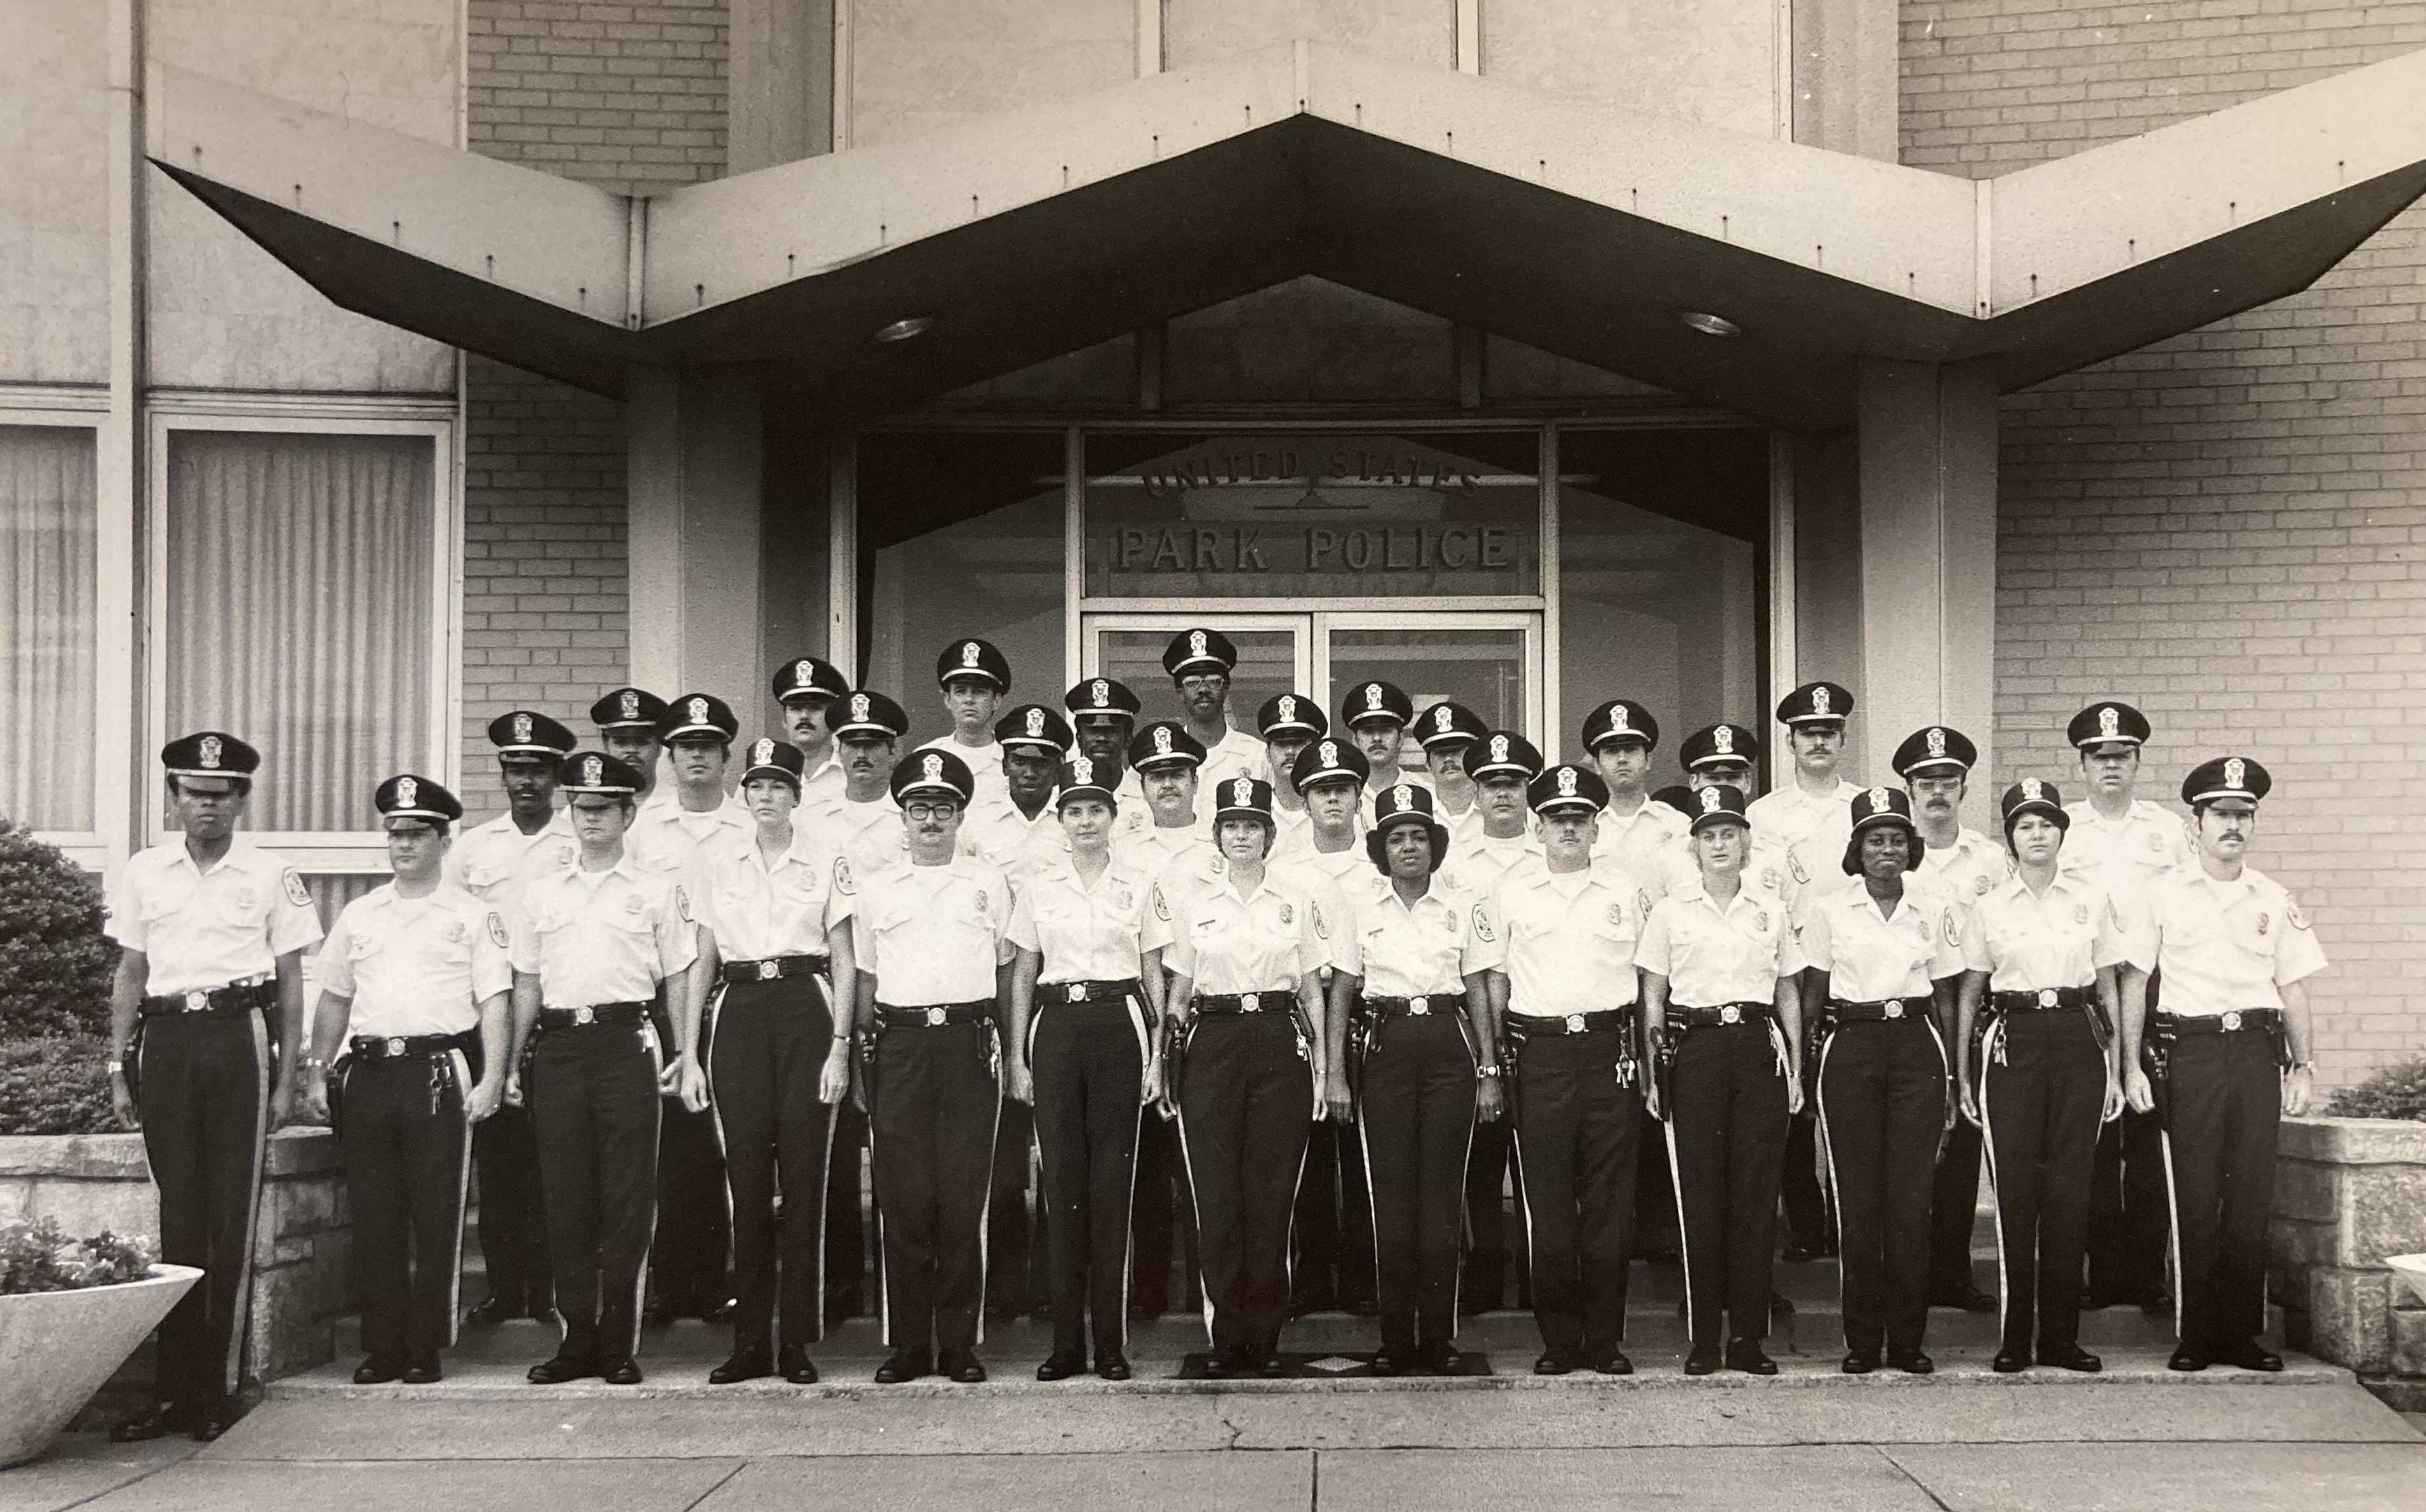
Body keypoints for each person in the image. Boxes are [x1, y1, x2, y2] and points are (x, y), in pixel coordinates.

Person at [103, 733, 322, 1442]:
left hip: (238, 1036)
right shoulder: (145, 871)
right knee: (178, 1216)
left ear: (242, 799)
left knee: (231, 1214)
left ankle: (218, 1389)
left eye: (221, 794)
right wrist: (117, 1065)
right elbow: (131, 972)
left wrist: (290, 1076)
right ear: (174, 798)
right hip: (166, 1041)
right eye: (195, 794)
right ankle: (170, 1393)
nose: (208, 806)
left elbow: (291, 982)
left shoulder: (268, 874)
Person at [302, 775, 510, 1386]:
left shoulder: (473, 915)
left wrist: (493, 1075)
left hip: (438, 1071)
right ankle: (383, 1343)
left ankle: (426, 1344)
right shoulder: (361, 913)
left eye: (418, 833)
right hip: (368, 1071)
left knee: (436, 1212)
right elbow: (335, 997)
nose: (404, 844)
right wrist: (318, 1071)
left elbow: (494, 999)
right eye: (395, 833)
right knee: (376, 1214)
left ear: (445, 841)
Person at [2119, 756, 2325, 1373]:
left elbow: (2293, 987)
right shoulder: (2162, 894)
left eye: (2242, 815)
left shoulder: (2274, 897)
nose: (2232, 826)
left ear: (2252, 825)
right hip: (2194, 1052)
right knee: (2196, 1193)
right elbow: (2134, 981)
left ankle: (2242, 1333)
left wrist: (2305, 1065)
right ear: (2197, 824)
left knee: (2250, 1195)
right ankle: (2196, 1333)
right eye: (2220, 815)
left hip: (2259, 1054)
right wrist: (2129, 1066)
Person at [507, 751, 702, 1386]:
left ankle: (619, 1342)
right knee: (567, 1198)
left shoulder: (653, 889)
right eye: (581, 808)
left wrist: (682, 1051)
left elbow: (677, 973)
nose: (590, 818)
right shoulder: (539, 892)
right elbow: (527, 983)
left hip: (627, 1042)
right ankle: (576, 1339)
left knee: (625, 1196)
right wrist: (512, 1062)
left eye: (604, 808)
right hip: (561, 1047)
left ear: (628, 813)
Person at [682, 738, 854, 1385]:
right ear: (744, 794)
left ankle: (797, 1343)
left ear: (796, 794)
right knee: (747, 1179)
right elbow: (701, 958)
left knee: (806, 1175)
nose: (767, 796)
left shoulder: (825, 858)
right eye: (756, 785)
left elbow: (842, 955)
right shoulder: (715, 860)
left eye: (779, 785)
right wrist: (692, 1053)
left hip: (806, 1008)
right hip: (740, 1011)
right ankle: (751, 1341)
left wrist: (840, 1044)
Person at [1151, 777, 1330, 1377]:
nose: (1242, 835)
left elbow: (1310, 987)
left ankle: (1265, 1334)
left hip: (1280, 1042)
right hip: (1214, 1042)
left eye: (1252, 825)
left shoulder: (1294, 900)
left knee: (1271, 1193)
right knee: (1218, 1192)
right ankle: (1226, 1334)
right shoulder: (1196, 903)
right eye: (1231, 825)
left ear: (1270, 835)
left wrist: (1325, 1068)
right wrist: (1164, 1059)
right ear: (1218, 836)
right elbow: (1179, 987)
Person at [849, 749, 1013, 1384]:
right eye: (920, 808)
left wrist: (1000, 1035)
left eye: (943, 808)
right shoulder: (879, 887)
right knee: (905, 1196)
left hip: (968, 1040)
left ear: (960, 815)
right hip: (902, 1043)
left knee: (962, 1193)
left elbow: (1004, 966)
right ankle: (909, 1343)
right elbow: (865, 974)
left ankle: (959, 1342)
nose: (931, 819)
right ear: (904, 817)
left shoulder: (986, 882)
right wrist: (866, 1050)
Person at [1004, 756, 1168, 1381]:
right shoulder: (1040, 885)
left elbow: (1153, 969)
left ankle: (1110, 1343)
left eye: (1096, 809)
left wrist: (1155, 1052)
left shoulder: (1139, 881)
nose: (1086, 820)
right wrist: (1019, 1056)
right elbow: (1023, 972)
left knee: (1111, 1185)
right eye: (1074, 810)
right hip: (1057, 1024)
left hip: (1118, 1019)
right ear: (1060, 818)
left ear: (1114, 816)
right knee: (1063, 1185)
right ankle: (1065, 1343)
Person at [1955, 779, 2124, 1374]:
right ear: (2010, 839)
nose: (2037, 834)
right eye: (2025, 825)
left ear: (2061, 833)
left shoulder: (2090, 898)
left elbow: (2107, 985)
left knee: (2071, 1192)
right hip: (2014, 1040)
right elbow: (1972, 992)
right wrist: (1966, 1072)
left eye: (2047, 824)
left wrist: (2118, 1067)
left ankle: (2061, 1338)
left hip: (2078, 1035)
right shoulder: (1990, 906)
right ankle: (2014, 1337)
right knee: (2017, 1194)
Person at [1330, 784, 1500, 1374]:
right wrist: (1336, 1076)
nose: (1409, 846)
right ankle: (1396, 1336)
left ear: (1435, 845)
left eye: (1419, 836)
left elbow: (1478, 989)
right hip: (1387, 1044)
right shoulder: (1362, 908)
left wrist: (1488, 1069)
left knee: (1441, 1197)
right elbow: (1343, 993)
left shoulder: (1462, 905)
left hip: (1449, 1044)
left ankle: (1440, 1337)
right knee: (1391, 1197)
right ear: (1381, 848)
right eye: (1397, 837)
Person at [1483, 763, 1644, 1376]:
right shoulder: (1512, 891)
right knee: (1547, 1204)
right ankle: (1559, 1339)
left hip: (1609, 1051)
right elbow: (1496, 979)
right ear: (1538, 826)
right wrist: (1496, 1058)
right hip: (1542, 1053)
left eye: (1580, 819)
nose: (1569, 829)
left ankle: (1604, 1339)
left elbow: (1649, 977)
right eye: (1558, 819)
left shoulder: (1625, 891)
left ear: (1596, 828)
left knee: (1608, 1204)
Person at [1638, 784, 1802, 1376]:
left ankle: (1749, 1340)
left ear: (1747, 842)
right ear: (1695, 847)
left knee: (1755, 1199)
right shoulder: (1671, 911)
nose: (1720, 845)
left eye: (1730, 833)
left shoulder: (1771, 909)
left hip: (1758, 1047)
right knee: (1700, 1198)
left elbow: (1786, 988)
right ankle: (1705, 1337)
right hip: (1697, 1048)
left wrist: (1797, 1068)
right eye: (1709, 835)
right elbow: (1653, 996)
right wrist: (1656, 1070)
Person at [1798, 787, 1962, 1375]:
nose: (1887, 849)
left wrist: (1951, 1072)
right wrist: (1809, 1066)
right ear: (1857, 849)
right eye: (1875, 840)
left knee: (1910, 1202)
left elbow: (1945, 992)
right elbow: (1813, 996)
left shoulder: (1933, 905)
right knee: (1859, 1201)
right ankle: (1863, 1341)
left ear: (1911, 846)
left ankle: (1909, 1342)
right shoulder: (1828, 909)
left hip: (1917, 1043)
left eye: (1896, 839)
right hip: (1854, 1045)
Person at [2062, 700, 2191, 1312]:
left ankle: (2147, 1273)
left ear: (2138, 761)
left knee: (2148, 1135)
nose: (2110, 766)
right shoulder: (2061, 827)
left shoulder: (2165, 829)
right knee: (2091, 1134)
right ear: (2082, 764)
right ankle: (2100, 1270)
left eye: (2121, 756)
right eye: (2098, 757)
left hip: (2157, 989)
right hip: (2084, 990)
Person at [450, 710, 577, 1331]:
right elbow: (451, 926)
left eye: (538, 770)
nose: (525, 780)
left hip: (559, 1015)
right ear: (503, 772)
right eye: (515, 768)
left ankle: (549, 1290)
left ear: (556, 777)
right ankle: (505, 1288)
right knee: (499, 1166)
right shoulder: (476, 847)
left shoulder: (576, 842)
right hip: (492, 1019)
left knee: (556, 1160)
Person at [628, 694, 749, 1328]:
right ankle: (668, 1284)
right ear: (668, 757)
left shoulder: (750, 821)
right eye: (685, 746)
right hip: (661, 994)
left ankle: (722, 1281)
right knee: (668, 1145)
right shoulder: (643, 827)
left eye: (708, 746)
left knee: (726, 1143)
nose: (697, 756)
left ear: (726, 754)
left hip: (736, 994)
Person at [1888, 726, 2008, 1315]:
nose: (1937, 792)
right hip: (1910, 1016)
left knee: (1961, 1143)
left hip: (1975, 1012)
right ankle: (1902, 1274)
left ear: (1963, 788)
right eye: (1925, 782)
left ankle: (1952, 1273)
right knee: (1910, 1153)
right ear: (1908, 789)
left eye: (1948, 782)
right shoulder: (1887, 851)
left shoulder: (1988, 858)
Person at [1434, 730, 1544, 1316]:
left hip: (1536, 1020)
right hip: (1474, 1018)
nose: (1502, 793)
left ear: (1528, 791)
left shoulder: (1548, 850)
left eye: (1513, 783)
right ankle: (1483, 1272)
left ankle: (1534, 1273)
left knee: (1535, 1158)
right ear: (1474, 792)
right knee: (1478, 1157)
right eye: (1491, 784)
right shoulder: (1452, 858)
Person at [1751, 683, 1860, 1268]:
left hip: (1855, 971)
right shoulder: (1762, 815)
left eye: (1829, 731)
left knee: (1845, 1106)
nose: (1818, 740)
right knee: (1794, 1097)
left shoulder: (1867, 803)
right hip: (1790, 970)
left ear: (1842, 738)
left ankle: (1847, 1220)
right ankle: (1805, 1222)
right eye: (1807, 732)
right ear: (1789, 741)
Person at [774, 663, 870, 1324]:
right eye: (795, 705)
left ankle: (845, 1282)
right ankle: (803, 1290)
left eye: (817, 705)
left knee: (842, 1148)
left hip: (865, 989)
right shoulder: (776, 789)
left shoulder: (865, 795)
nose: (806, 716)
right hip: (805, 995)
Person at [1275, 737, 1377, 1317]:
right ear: (1305, 800)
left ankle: (1363, 1276)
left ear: (1359, 796)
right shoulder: (1286, 868)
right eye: (1320, 790)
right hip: (1305, 1016)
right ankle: (1311, 1274)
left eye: (1342, 788)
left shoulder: (1379, 859)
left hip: (1371, 1013)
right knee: (1309, 1150)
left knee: (1365, 1153)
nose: (1332, 799)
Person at [1113, 719, 1209, 1323]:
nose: (1167, 784)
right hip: (1146, 1011)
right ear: (1141, 786)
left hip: (1204, 1011)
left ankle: (1206, 1288)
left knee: (1203, 1162)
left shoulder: (1221, 845)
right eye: (1155, 775)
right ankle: (1147, 1290)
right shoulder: (1125, 852)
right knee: (1145, 1161)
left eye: (1176, 773)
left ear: (1196, 780)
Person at [805, 690, 918, 877]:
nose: (861, 755)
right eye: (852, 745)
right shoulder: (817, 816)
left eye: (872, 745)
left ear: (893, 753)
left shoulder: (912, 816)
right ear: (839, 752)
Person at [959, 703, 1073, 886]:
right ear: (1005, 766)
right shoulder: (979, 820)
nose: (1029, 773)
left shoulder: (1076, 818)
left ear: (1059, 769)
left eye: (1041, 764)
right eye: (1020, 762)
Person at [1580, 700, 1686, 889]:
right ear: (1596, 764)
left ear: (1648, 760)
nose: (1622, 759)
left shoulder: (1676, 825)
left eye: (1631, 750)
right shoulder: (1584, 825)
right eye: (1612, 752)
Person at [1163, 628, 1268, 791]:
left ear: (1225, 688)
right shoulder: (1165, 756)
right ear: (1180, 693)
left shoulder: (1257, 754)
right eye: (1192, 682)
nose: (1203, 689)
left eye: (1213, 681)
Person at [919, 638, 1013, 814]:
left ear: (996, 701)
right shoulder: (927, 757)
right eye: (961, 691)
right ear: (947, 699)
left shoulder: (1013, 760)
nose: (969, 700)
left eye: (979, 692)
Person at [1064, 677, 1154, 844]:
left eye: (1111, 731)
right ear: (1080, 739)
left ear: (1127, 740)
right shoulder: (1060, 799)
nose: (1102, 738)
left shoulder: (1147, 799)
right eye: (1093, 731)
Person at [1258, 693, 1332, 861]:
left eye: (1299, 743)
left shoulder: (1331, 808)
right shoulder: (1254, 809)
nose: (1290, 752)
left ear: (1314, 751)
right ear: (1268, 754)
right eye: (1281, 744)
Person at [773, 654, 852, 809]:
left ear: (834, 718)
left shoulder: (852, 775)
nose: (804, 716)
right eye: (796, 709)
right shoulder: (761, 780)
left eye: (815, 708)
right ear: (784, 719)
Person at [1413, 701, 1490, 846]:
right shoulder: (1416, 809)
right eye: (1440, 753)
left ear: (1475, 758)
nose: (1449, 759)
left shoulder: (1495, 806)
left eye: (1457, 751)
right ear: (1427, 765)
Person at [1340, 680, 1425, 795]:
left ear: (1400, 739)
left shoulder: (1422, 792)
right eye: (1368, 731)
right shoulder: (1343, 794)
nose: (1377, 738)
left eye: (1385, 730)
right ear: (1355, 741)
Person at [589, 688, 669, 808]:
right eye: (621, 743)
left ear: (659, 745)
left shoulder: (678, 802)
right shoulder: (586, 804)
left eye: (642, 742)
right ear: (606, 745)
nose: (631, 750)